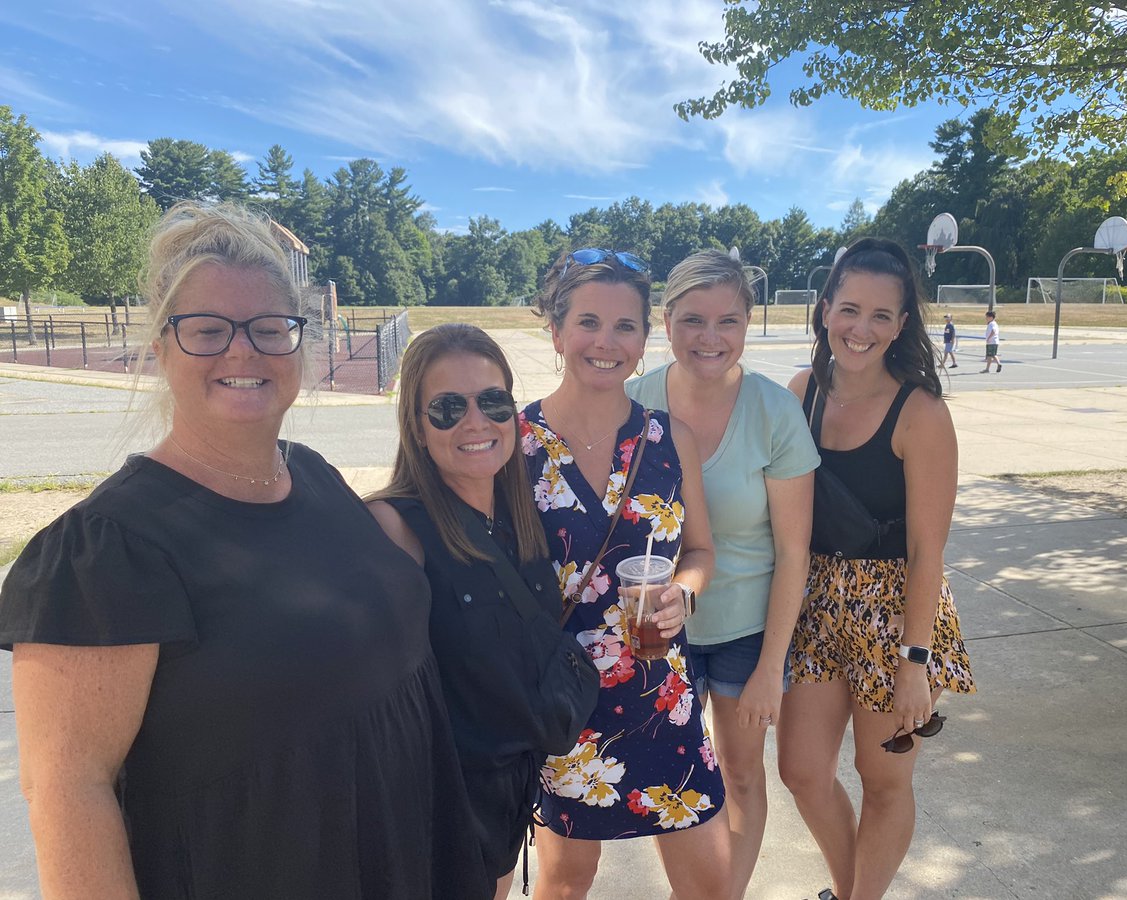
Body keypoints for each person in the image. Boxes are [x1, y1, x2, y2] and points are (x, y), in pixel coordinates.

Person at [0, 202, 490, 900]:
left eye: (269, 328)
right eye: (207, 330)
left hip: (405, 852)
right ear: (162, 346)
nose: (242, 351)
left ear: (300, 342)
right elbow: (69, 794)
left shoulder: (315, 474)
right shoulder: (106, 551)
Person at [521, 248, 732, 899]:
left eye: (625, 327)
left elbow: (699, 552)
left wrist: (684, 595)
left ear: (646, 339)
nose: (606, 342)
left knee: (710, 884)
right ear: (557, 332)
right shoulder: (515, 444)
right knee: (563, 887)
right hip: (567, 707)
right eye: (588, 322)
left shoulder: (671, 440)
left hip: (663, 699)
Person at [780, 237, 975, 900]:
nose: (861, 329)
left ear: (901, 325)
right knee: (803, 770)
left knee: (882, 774)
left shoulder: (920, 413)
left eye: (881, 316)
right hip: (816, 603)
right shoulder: (801, 393)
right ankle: (850, 890)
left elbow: (928, 552)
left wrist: (914, 662)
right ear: (825, 307)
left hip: (895, 611)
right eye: (849, 309)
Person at [626, 249, 818, 898]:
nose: (711, 338)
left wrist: (771, 666)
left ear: (748, 323)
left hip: (746, 631)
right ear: (666, 320)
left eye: (728, 321)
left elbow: (795, 552)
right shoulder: (633, 403)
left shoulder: (773, 412)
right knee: (672, 781)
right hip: (658, 630)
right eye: (693, 320)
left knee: (740, 779)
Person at [366, 323, 568, 899]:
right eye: (448, 408)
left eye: (492, 401)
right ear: (417, 426)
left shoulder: (519, 513)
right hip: (440, 802)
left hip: (507, 792)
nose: (475, 422)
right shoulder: (395, 526)